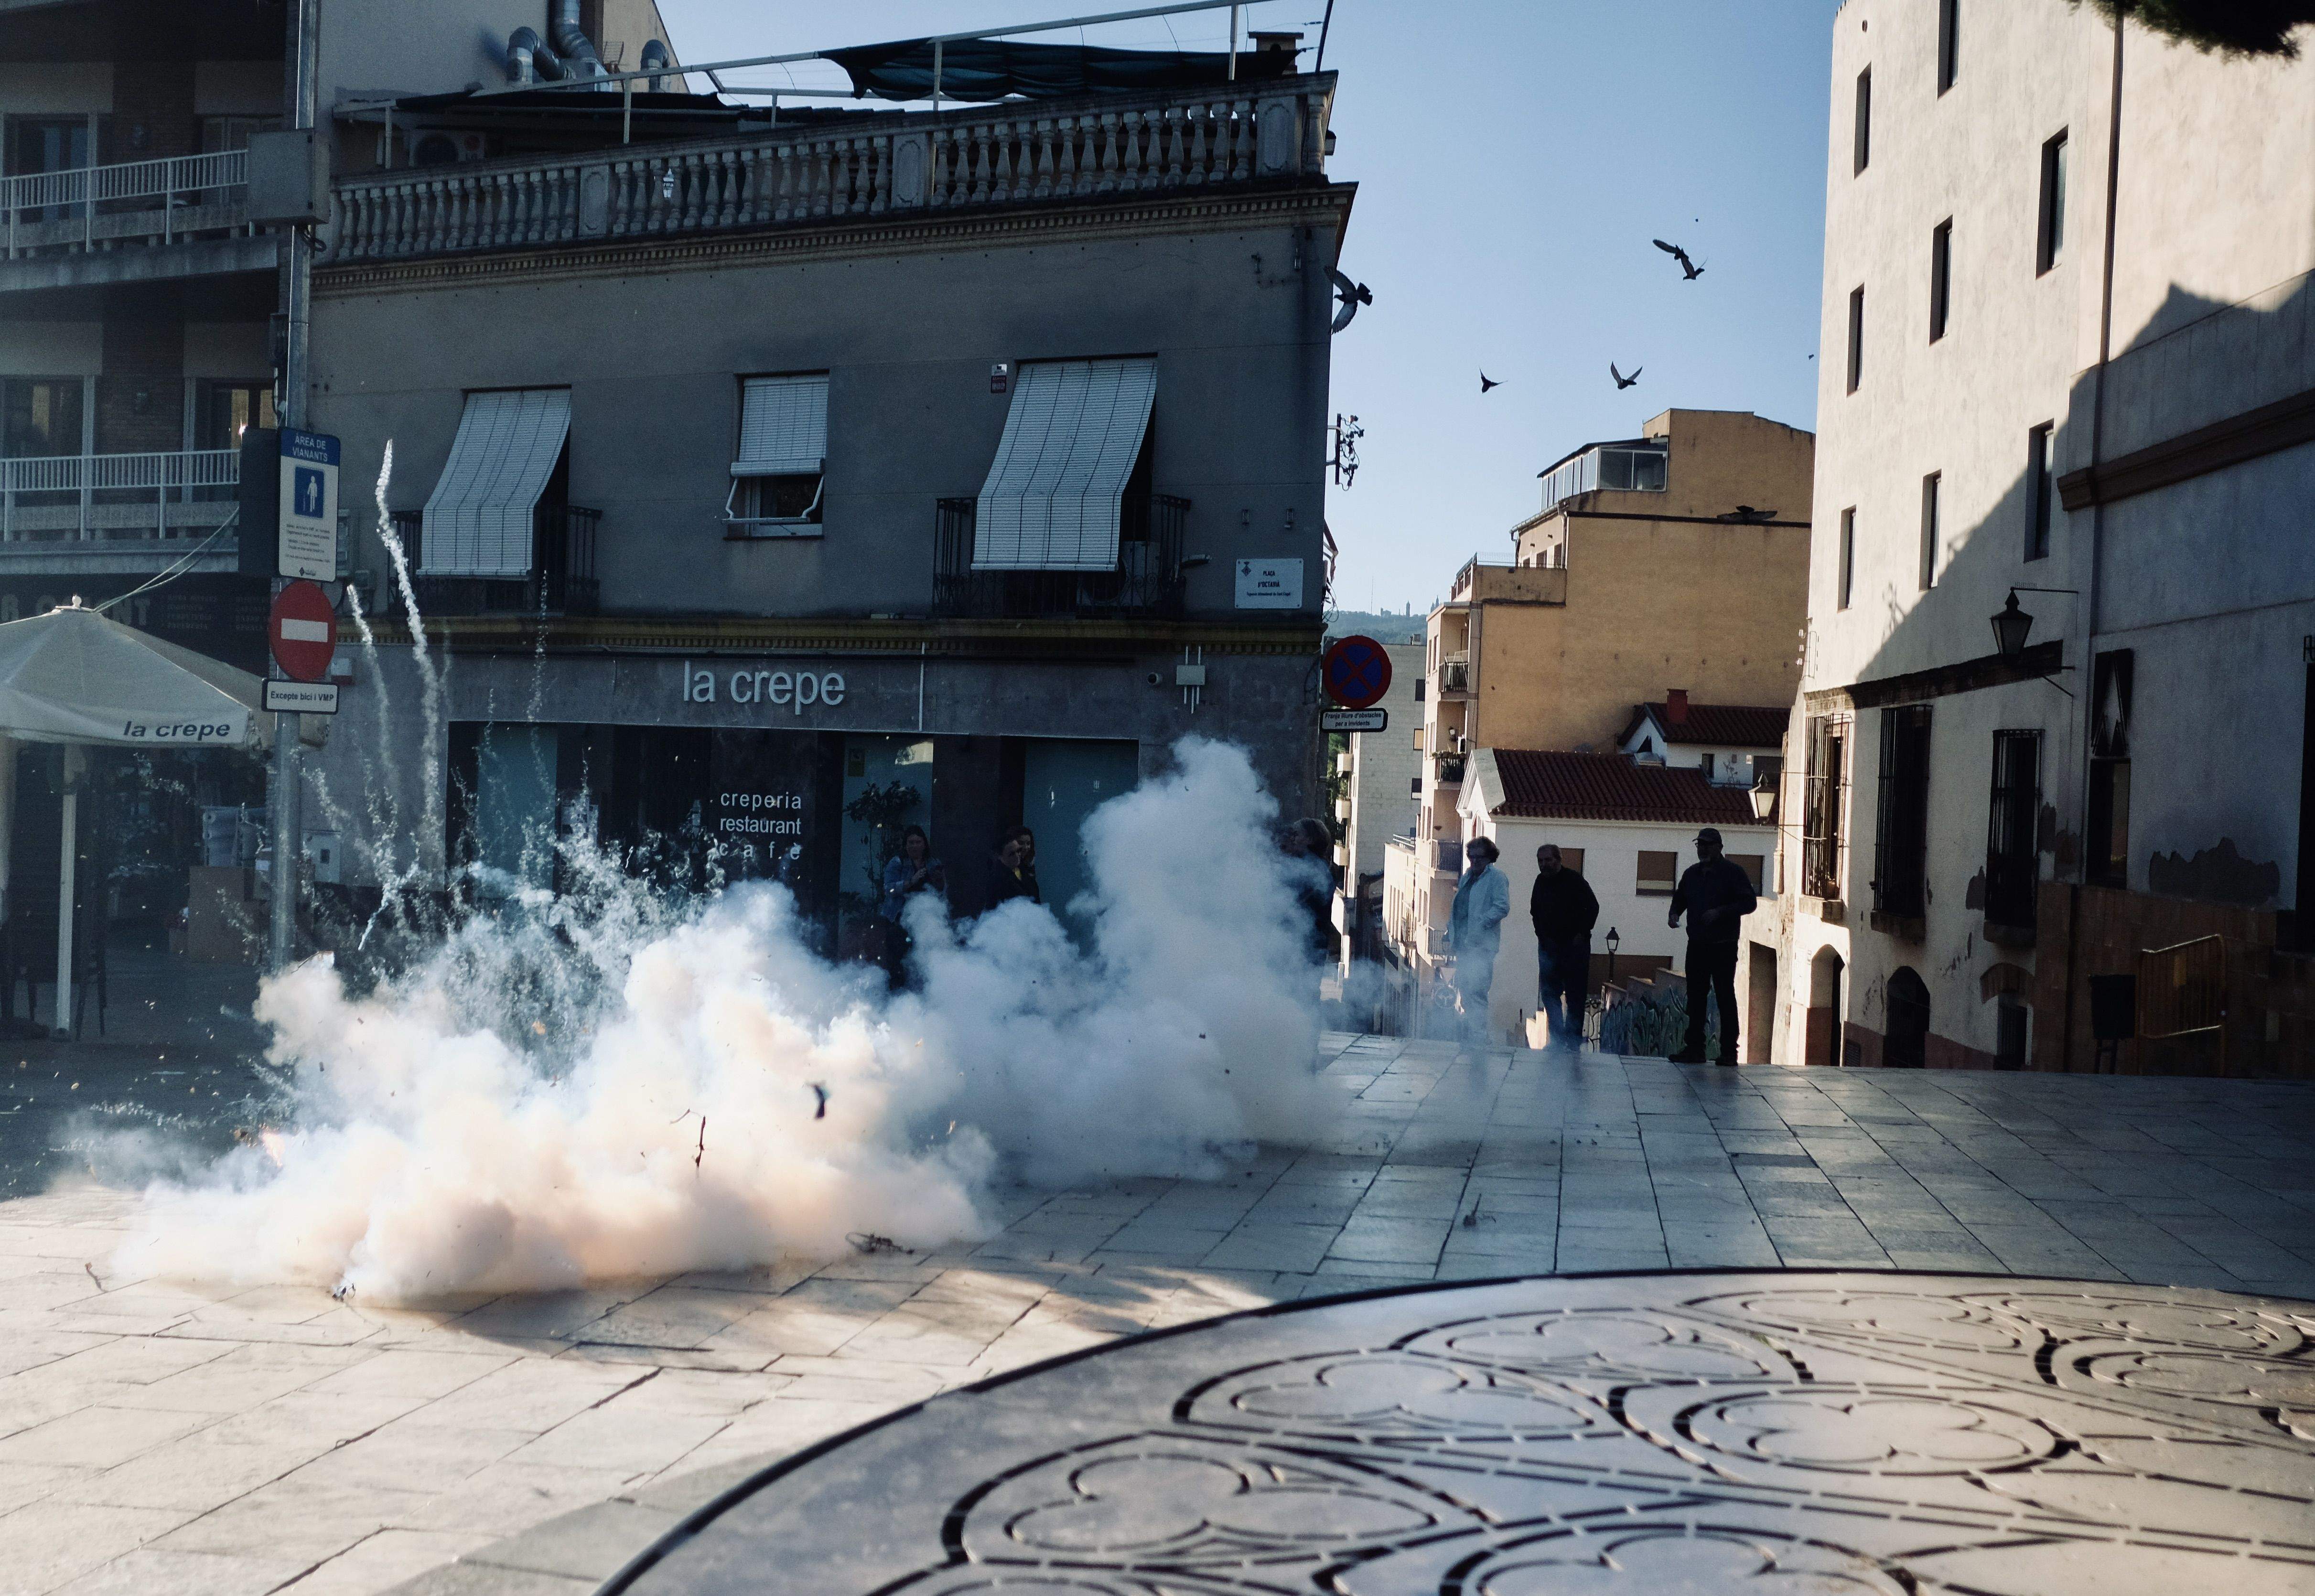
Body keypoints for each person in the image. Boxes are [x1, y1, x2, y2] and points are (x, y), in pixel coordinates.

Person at [1667, 825, 1757, 1065]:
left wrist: (1720, 913)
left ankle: (1729, 1051)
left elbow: (1749, 903)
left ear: (1719, 848)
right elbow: (1680, 898)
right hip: (1697, 945)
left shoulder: (1734, 873)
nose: (1703, 849)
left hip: (1723, 946)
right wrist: (1674, 914)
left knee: (1725, 996)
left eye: (1707, 845)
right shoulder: (1691, 874)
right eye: (1700, 845)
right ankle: (1695, 1049)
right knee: (1696, 998)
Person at [1529, 843, 1599, 1054]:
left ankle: (1573, 1041)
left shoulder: (1574, 880)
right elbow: (1535, 912)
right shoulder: (1540, 882)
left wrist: (1581, 934)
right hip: (1549, 949)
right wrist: (1542, 936)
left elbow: (1593, 907)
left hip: (1574, 949)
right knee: (1550, 995)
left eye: (1548, 860)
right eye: (1540, 861)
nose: (1544, 864)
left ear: (1559, 860)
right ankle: (1558, 1040)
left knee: (1575, 996)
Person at [1447, 835, 1510, 1047]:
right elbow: (1460, 907)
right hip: (1463, 945)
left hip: (1482, 946)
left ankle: (1480, 1036)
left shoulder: (1496, 878)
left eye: (1479, 858)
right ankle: (1474, 1033)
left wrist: (1482, 924)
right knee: (1465, 990)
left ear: (1490, 858)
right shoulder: (1467, 876)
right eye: (1471, 857)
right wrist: (1451, 931)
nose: (1474, 861)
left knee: (1477, 991)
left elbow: (1502, 907)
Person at [879, 825, 945, 985]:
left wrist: (940, 882)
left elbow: (942, 892)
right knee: (898, 959)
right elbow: (889, 889)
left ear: (924, 844)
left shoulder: (933, 863)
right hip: (899, 919)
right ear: (906, 845)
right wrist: (910, 882)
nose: (914, 846)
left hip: (926, 919)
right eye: (911, 843)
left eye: (918, 842)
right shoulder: (898, 863)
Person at [1280, 817, 1335, 959]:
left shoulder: (1313, 868)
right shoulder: (1310, 865)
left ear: (1310, 840)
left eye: (1296, 834)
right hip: (1306, 946)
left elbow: (1290, 904)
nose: (1292, 839)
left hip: (1305, 948)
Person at [989, 825, 1042, 907]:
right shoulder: (997, 876)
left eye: (1028, 843)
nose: (1025, 848)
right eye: (1021, 843)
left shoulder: (1026, 869)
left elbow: (1034, 896)